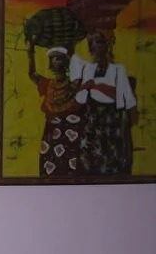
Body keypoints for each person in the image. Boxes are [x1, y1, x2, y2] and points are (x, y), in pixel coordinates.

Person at [74, 29, 138, 176]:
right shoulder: (88, 69)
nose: (94, 48)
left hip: (112, 121)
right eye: (91, 44)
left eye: (98, 43)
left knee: (113, 163)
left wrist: (95, 86)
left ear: (106, 46)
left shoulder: (118, 70)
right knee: (90, 164)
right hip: (94, 122)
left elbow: (123, 97)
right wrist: (81, 87)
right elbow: (81, 99)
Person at [27, 43, 84, 178]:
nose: (55, 62)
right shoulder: (48, 84)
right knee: (49, 164)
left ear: (66, 62)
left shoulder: (74, 84)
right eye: (53, 59)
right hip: (51, 132)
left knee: (71, 164)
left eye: (59, 58)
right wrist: (30, 53)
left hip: (70, 130)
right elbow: (32, 74)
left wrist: (72, 53)